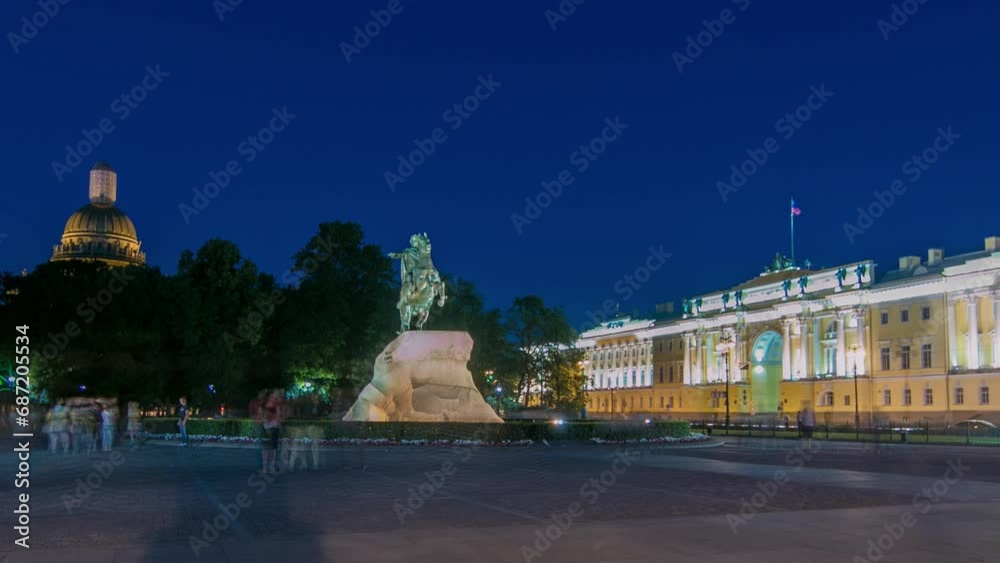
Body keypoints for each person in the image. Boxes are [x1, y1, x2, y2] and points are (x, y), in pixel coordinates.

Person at [261, 391, 281, 473]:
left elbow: (278, 417)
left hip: (274, 428)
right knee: (265, 449)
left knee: (273, 449)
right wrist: (265, 425)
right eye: (271, 397)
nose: (272, 398)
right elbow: (262, 416)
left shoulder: (276, 406)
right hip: (266, 428)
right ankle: (265, 467)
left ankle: (271, 467)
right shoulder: (264, 406)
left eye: (273, 397)